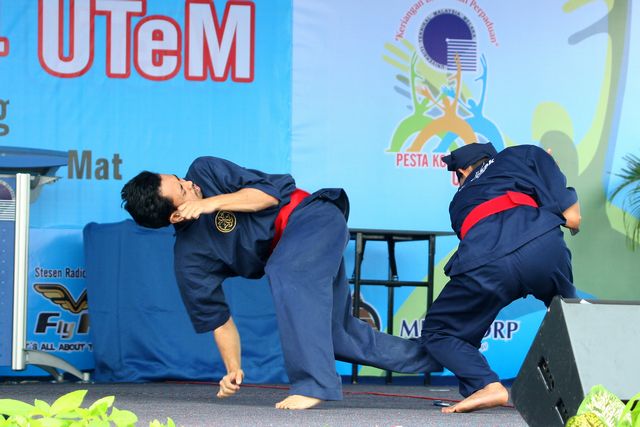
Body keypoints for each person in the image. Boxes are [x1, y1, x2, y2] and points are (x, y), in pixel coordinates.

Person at [121, 156, 439, 410]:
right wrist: (233, 369)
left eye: (180, 178)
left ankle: (314, 384)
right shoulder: (189, 261)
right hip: (298, 255)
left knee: (285, 271)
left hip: (311, 217)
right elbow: (218, 320)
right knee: (339, 337)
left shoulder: (205, 170)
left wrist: (210, 203)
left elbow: (267, 196)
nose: (189, 183)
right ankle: (443, 353)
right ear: (176, 216)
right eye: (182, 189)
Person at [420, 142, 581, 413]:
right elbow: (571, 218)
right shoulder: (522, 154)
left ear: (463, 171)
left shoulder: (458, 202)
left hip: (486, 262)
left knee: (440, 331)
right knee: (570, 317)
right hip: (542, 246)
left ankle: (485, 384)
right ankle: (593, 390)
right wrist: (547, 168)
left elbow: (495, 240)